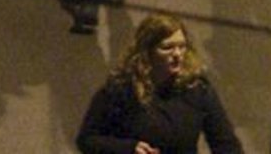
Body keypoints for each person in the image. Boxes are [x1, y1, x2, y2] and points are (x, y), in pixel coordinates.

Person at [76, 14, 244, 154]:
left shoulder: (197, 88)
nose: (177, 54)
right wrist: (129, 148)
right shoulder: (121, 89)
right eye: (167, 47)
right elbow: (87, 140)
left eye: (182, 47)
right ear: (147, 51)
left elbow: (226, 144)